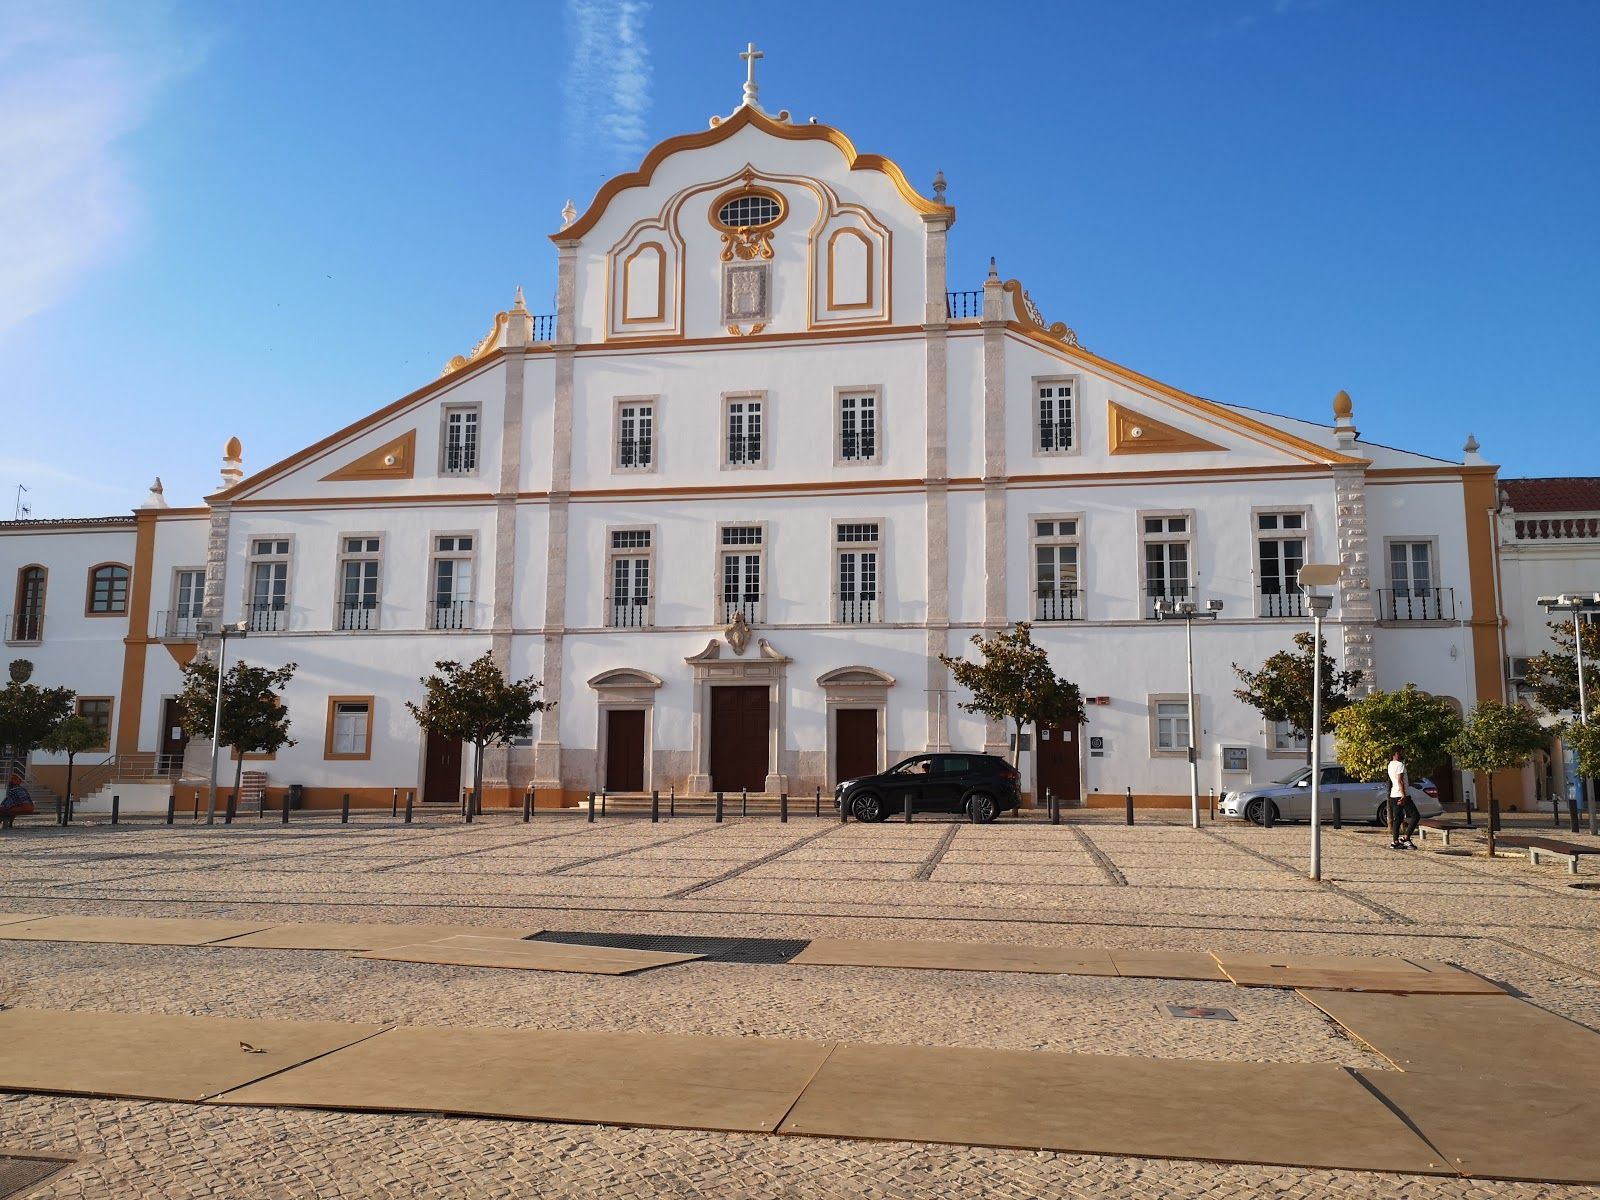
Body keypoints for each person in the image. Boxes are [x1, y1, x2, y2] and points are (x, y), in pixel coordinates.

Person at [1388, 748, 1419, 849]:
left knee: (1398, 818)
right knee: (1415, 815)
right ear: (1396, 753)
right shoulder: (1399, 765)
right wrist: (1403, 795)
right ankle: (1406, 838)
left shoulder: (1390, 764)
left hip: (1393, 794)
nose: (1403, 754)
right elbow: (1400, 781)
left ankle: (1395, 842)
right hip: (1401, 794)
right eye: (1401, 752)